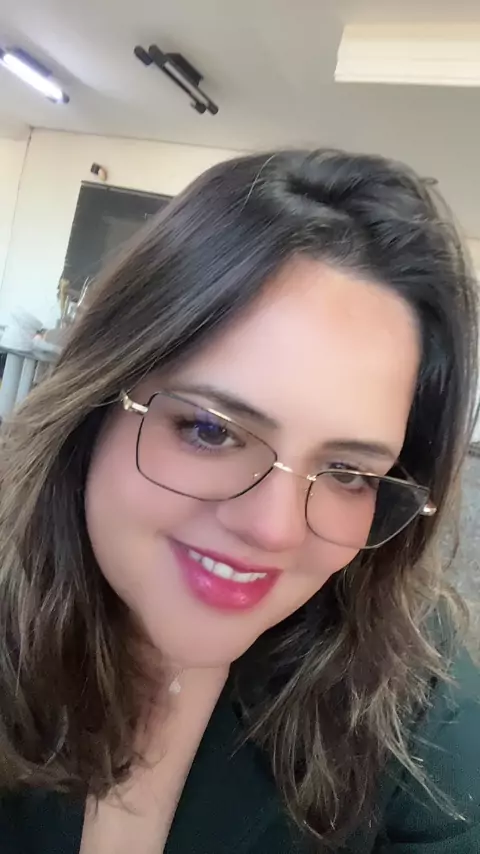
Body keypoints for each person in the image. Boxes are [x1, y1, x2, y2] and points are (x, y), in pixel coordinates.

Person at [0, 149, 479, 854]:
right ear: (93, 407)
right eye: (210, 430)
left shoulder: (413, 694)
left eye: (347, 472)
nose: (274, 529)